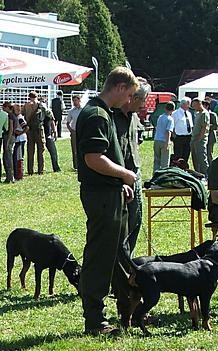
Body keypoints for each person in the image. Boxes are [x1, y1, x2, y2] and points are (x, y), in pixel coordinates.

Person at [76, 66, 139, 336]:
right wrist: (125, 174)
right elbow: (94, 158)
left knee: (118, 256)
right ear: (120, 88)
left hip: (109, 193)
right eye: (130, 95)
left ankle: (129, 311)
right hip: (101, 197)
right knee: (100, 258)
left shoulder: (103, 113)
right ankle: (95, 319)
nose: (129, 102)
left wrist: (119, 184)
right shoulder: (96, 115)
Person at [112, 77, 152, 255]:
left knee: (136, 218)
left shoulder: (135, 117)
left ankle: (127, 258)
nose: (144, 105)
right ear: (133, 98)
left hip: (134, 173)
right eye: (143, 100)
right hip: (117, 176)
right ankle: (119, 261)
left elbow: (139, 137)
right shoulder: (112, 116)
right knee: (119, 223)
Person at [22, 91, 49, 175]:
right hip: (38, 128)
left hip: (29, 129)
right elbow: (49, 113)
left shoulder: (26, 105)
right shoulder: (41, 105)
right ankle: (41, 170)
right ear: (37, 96)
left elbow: (22, 114)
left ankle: (30, 170)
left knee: (30, 150)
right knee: (41, 149)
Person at [153, 101, 175, 172]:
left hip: (157, 140)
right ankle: (163, 176)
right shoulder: (170, 119)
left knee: (157, 160)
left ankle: (155, 174)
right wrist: (167, 143)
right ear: (173, 110)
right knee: (165, 162)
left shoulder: (160, 117)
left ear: (165, 108)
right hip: (164, 141)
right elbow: (168, 131)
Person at [190, 97, 210, 176]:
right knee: (195, 158)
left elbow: (204, 127)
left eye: (195, 105)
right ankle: (198, 174)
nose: (194, 107)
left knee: (202, 158)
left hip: (200, 139)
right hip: (194, 138)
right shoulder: (197, 113)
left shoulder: (204, 113)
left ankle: (206, 174)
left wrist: (200, 138)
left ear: (199, 104)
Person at [66, 95, 83, 170]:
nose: (74, 102)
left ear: (79, 100)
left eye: (76, 100)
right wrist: (71, 130)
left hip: (82, 132)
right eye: (73, 101)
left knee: (82, 148)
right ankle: (75, 165)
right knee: (74, 149)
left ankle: (82, 164)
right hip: (74, 131)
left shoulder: (84, 110)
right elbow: (68, 122)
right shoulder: (71, 111)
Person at [12, 104, 28, 180]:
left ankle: (19, 174)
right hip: (19, 139)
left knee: (18, 157)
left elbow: (26, 127)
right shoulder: (16, 117)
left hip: (20, 139)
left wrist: (20, 133)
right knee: (17, 156)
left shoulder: (19, 118)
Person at [2, 102, 16, 183]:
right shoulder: (12, 115)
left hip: (9, 137)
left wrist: (7, 140)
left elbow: (10, 128)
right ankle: (10, 176)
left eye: (4, 107)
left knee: (8, 157)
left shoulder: (10, 115)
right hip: (11, 137)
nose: (3, 109)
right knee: (7, 156)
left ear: (7, 107)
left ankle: (10, 177)